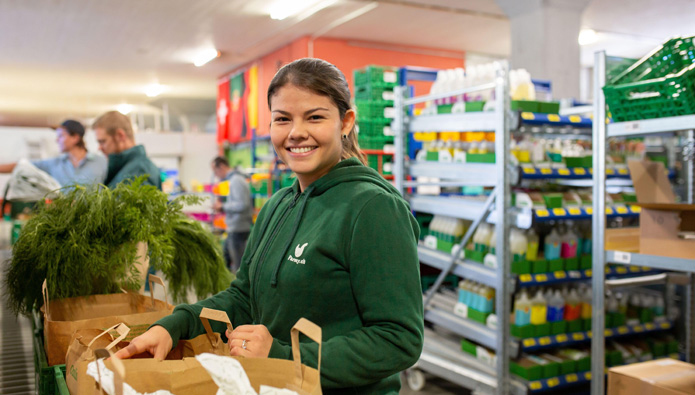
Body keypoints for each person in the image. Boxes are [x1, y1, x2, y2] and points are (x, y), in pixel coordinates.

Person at [115, 58, 424, 394]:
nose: (296, 133)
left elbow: (399, 338)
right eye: (282, 119)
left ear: (346, 122)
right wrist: (176, 324)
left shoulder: (374, 209)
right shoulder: (278, 204)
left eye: (315, 117)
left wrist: (284, 357)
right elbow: (244, 296)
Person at [0, 119, 107, 186]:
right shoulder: (55, 163)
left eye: (61, 136)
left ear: (75, 137)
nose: (57, 140)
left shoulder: (101, 162)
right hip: (63, 219)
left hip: (94, 221)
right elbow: (22, 165)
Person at [92, 110, 161, 189]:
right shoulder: (127, 168)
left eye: (103, 141)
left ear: (120, 136)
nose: (99, 148)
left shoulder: (139, 171)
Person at [211, 156, 253, 272]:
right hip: (235, 227)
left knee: (239, 266)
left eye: (215, 171)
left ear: (223, 166)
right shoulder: (234, 180)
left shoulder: (236, 181)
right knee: (227, 259)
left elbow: (241, 204)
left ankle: (240, 288)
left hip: (238, 228)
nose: (216, 174)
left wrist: (223, 206)